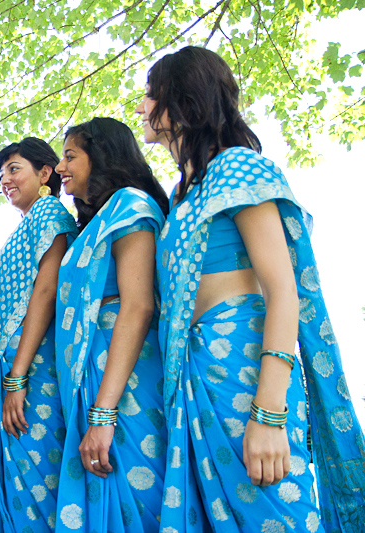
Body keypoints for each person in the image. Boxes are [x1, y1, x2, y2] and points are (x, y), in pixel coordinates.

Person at [139, 46, 365, 532]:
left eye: (149, 95)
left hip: (243, 374)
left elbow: (284, 290)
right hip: (197, 380)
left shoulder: (237, 168)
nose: (141, 107)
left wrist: (269, 414)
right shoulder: (181, 196)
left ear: (181, 102)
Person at [51, 117, 170, 531]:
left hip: (128, 388)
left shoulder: (130, 206)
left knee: (137, 496)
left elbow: (137, 307)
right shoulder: (95, 223)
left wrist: (103, 415)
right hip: (96, 381)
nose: (60, 168)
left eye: (70, 156)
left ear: (101, 156)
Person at [0, 137, 77, 533]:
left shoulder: (50, 213)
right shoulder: (28, 222)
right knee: (20, 472)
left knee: (39, 472)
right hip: (16, 361)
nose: (5, 179)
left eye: (14, 169)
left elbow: (46, 291)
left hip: (35, 365)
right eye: (1, 174)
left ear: (45, 173)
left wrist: (18, 376)